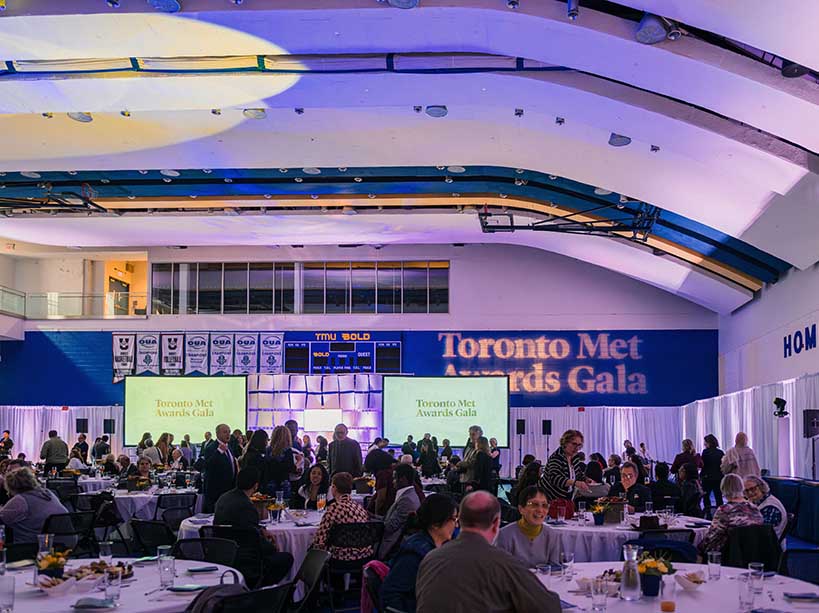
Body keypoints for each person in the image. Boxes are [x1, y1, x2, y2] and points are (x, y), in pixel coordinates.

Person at [416, 491, 561, 613]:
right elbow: (549, 608)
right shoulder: (503, 563)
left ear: (459, 521)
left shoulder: (431, 558)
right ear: (496, 523)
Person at [214, 467, 294, 586]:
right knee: (286, 558)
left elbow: (245, 527)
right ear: (256, 486)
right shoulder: (247, 506)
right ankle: (262, 592)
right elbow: (255, 540)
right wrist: (273, 547)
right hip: (245, 559)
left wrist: (261, 529)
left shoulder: (223, 498)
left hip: (222, 554)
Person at [381, 494, 459, 613]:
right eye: (453, 519)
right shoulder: (414, 554)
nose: (456, 525)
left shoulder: (442, 545)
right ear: (436, 523)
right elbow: (390, 595)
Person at [312, 472, 372, 560]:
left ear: (334, 488)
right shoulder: (359, 507)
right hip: (364, 555)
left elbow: (319, 540)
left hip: (340, 557)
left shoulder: (334, 508)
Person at [698, 473, 763, 555]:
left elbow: (712, 537)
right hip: (753, 554)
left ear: (723, 489)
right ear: (741, 488)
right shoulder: (754, 508)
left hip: (730, 555)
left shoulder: (725, 510)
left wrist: (699, 549)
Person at [496, 485, 560, 567]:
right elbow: (500, 572)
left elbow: (555, 572)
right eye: (534, 504)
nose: (540, 510)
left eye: (544, 505)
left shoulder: (552, 535)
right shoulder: (505, 535)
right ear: (521, 509)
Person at [0, 467, 68, 544]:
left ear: (10, 486)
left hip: (33, 546)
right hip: (65, 542)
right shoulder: (48, 493)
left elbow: (3, 517)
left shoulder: (21, 500)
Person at [379, 463, 422, 559]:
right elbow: (390, 520)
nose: (393, 482)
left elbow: (390, 527)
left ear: (402, 479)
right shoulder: (409, 495)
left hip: (391, 547)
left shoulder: (406, 500)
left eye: (394, 478)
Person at [540, 429, 590, 500]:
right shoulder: (557, 457)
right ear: (565, 443)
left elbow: (577, 473)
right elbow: (555, 478)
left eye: (579, 445)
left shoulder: (575, 457)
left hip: (566, 497)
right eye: (574, 444)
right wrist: (575, 483)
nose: (577, 448)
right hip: (550, 498)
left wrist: (585, 479)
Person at [202, 423, 238, 513]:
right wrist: (219, 452)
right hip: (217, 491)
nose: (228, 434)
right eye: (225, 432)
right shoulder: (211, 448)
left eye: (229, 432)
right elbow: (208, 466)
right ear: (217, 434)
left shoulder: (229, 446)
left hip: (230, 489)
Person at [744, 475, 787, 539]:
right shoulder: (756, 502)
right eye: (746, 491)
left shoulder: (771, 507)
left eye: (753, 489)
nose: (750, 493)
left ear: (761, 487)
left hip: (769, 546)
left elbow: (763, 534)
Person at [263, 425, 297, 497]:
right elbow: (289, 467)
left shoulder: (268, 450)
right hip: (284, 482)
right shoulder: (288, 451)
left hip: (270, 482)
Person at [701, 434, 725, 517]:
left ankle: (708, 514)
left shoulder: (705, 452)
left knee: (706, 497)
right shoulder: (720, 452)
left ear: (708, 443)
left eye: (705, 442)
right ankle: (721, 514)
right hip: (718, 477)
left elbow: (703, 465)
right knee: (719, 497)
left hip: (707, 478)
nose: (704, 444)